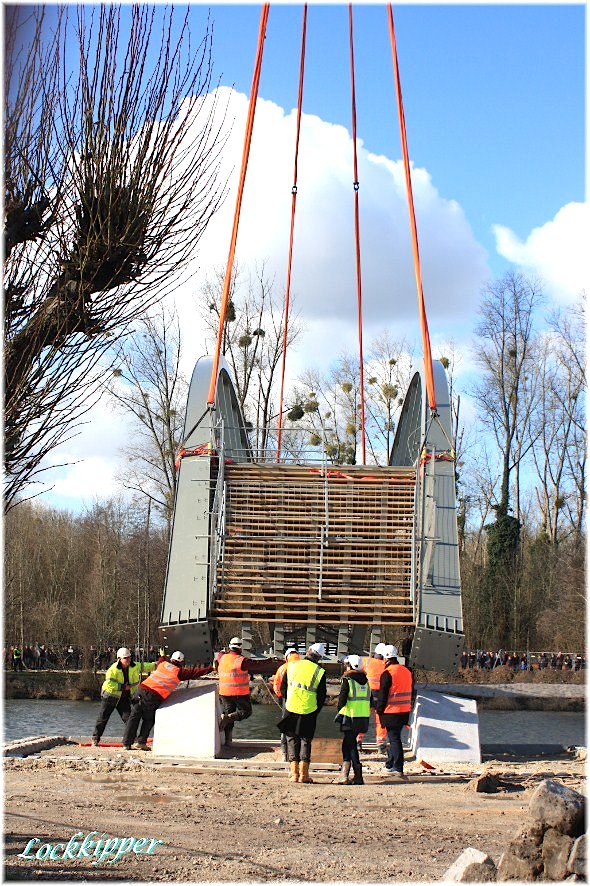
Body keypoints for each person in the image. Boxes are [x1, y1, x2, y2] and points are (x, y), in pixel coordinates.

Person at [122, 651, 213, 750]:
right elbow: (195, 672)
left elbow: (162, 659)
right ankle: (141, 742)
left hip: (140, 690)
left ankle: (127, 744)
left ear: (172, 659)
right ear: (181, 662)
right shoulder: (179, 672)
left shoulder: (163, 664)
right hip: (153, 696)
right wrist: (210, 668)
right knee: (149, 720)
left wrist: (162, 655)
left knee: (134, 718)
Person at [278, 642, 327, 783]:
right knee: (306, 740)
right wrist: (316, 710)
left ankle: (293, 774)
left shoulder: (292, 666)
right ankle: (304, 775)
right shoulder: (320, 672)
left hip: (291, 707)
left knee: (291, 738)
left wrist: (289, 700)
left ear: (308, 651)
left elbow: (283, 688)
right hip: (309, 709)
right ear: (320, 657)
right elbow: (322, 696)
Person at [91, 647, 157, 746]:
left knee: (129, 719)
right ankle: (95, 739)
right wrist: (122, 687)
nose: (128, 660)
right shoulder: (113, 670)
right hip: (110, 697)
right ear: (119, 659)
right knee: (103, 718)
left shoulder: (134, 666)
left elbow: (145, 666)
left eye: (129, 657)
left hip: (123, 698)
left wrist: (157, 665)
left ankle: (131, 739)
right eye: (126, 658)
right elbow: (109, 684)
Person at [375, 644, 413, 781]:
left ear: (386, 658)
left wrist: (379, 710)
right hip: (404, 711)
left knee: (394, 739)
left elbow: (383, 695)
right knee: (395, 737)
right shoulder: (406, 671)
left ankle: (398, 767)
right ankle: (390, 763)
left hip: (391, 711)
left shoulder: (387, 673)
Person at [334, 654, 370, 785]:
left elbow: (341, 701)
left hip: (349, 717)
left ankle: (346, 775)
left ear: (350, 665)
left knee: (348, 745)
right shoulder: (366, 682)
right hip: (362, 719)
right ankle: (357, 775)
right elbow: (370, 701)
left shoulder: (348, 681)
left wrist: (339, 712)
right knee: (351, 744)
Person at [217, 636, 257, 747]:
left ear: (230, 646)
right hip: (239, 692)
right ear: (240, 648)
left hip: (224, 692)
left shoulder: (222, 657)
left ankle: (227, 741)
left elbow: (219, 654)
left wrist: (222, 651)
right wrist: (270, 661)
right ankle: (228, 718)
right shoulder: (242, 660)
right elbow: (257, 664)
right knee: (246, 712)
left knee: (228, 714)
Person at [357, 642, 387, 752]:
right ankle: (380, 744)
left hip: (366, 694)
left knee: (363, 718)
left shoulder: (366, 661)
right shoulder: (386, 665)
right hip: (380, 695)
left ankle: (358, 741)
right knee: (380, 720)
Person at [272, 647, 300, 761]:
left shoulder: (283, 668)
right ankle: (296, 753)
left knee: (286, 724)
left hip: (287, 700)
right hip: (300, 700)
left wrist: (280, 696)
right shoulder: (302, 668)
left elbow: (276, 684)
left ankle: (284, 753)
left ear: (287, 657)